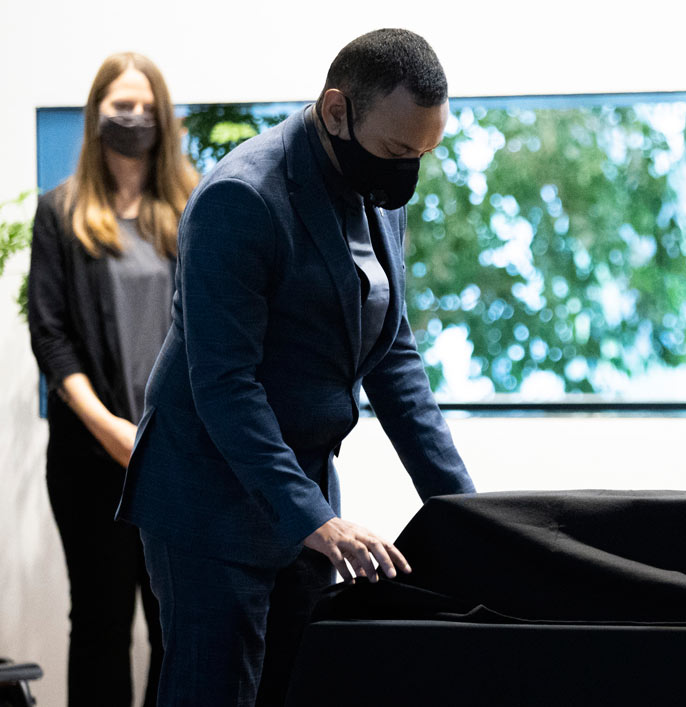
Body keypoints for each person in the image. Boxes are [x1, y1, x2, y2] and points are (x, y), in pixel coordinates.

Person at [115, 29, 476, 706]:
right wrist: (315, 519)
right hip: (208, 499)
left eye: (425, 153)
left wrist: (461, 508)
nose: (410, 172)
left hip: (300, 491)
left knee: (298, 686)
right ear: (337, 111)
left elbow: (393, 357)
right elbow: (225, 383)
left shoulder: (376, 191)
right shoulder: (241, 199)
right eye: (400, 151)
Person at [27, 51, 198, 707]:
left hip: (178, 457)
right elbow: (50, 332)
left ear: (165, 118)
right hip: (89, 458)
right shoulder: (60, 212)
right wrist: (108, 429)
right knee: (98, 625)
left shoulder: (194, 208)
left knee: (175, 626)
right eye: (121, 106)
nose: (134, 118)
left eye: (146, 107)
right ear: (97, 114)